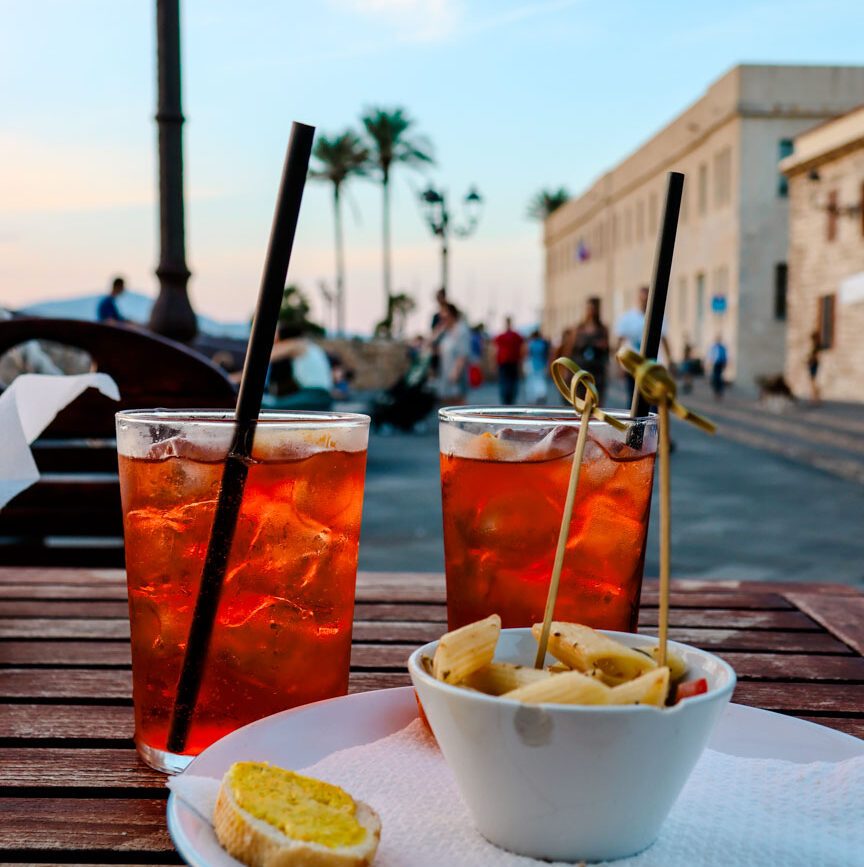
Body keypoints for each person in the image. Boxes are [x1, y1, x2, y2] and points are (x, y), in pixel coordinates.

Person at [615, 286, 673, 408]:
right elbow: (620, 341)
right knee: (633, 398)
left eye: (647, 298)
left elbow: (664, 339)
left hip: (652, 365)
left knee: (653, 397)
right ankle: (634, 425)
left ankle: (652, 425)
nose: (645, 301)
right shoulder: (628, 318)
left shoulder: (658, 316)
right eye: (643, 298)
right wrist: (617, 363)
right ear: (638, 299)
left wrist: (670, 361)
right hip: (632, 366)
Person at [267, 321, 334, 409]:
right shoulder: (311, 346)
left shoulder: (298, 345)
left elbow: (268, 356)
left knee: (266, 406)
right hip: (322, 395)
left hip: (314, 395)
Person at [571, 297, 610, 405]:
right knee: (581, 401)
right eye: (589, 309)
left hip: (597, 369)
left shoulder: (602, 328)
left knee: (597, 400)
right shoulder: (579, 328)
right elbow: (570, 349)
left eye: (593, 309)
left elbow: (607, 349)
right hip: (581, 368)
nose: (591, 311)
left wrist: (602, 346)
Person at [436, 302, 471, 405]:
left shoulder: (461, 330)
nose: (442, 318)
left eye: (444, 316)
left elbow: (463, 354)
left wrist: (456, 373)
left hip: (456, 376)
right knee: (446, 404)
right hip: (445, 374)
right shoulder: (446, 332)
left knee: (457, 404)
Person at [494, 316, 525, 405]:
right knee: (512, 381)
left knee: (505, 381)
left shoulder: (501, 336)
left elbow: (495, 350)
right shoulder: (516, 335)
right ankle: (510, 398)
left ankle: (506, 398)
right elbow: (522, 348)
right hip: (512, 361)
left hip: (505, 362)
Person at [524, 329, 550, 404]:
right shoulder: (542, 343)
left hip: (532, 364)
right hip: (542, 364)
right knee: (541, 380)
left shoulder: (531, 344)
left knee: (532, 381)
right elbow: (546, 354)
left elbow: (528, 354)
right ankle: (541, 394)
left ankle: (533, 397)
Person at [707, 336, 728, 400]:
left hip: (720, 364)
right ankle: (716, 392)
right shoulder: (714, 347)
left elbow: (724, 356)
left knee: (719, 378)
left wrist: (725, 363)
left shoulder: (722, 347)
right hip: (715, 364)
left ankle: (720, 392)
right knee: (715, 378)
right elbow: (711, 355)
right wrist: (709, 362)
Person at [807, 330, 822, 405]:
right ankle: (815, 398)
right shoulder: (815, 346)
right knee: (813, 382)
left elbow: (815, 357)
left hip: (814, 365)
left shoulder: (816, 346)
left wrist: (810, 361)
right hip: (813, 364)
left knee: (813, 382)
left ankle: (815, 399)